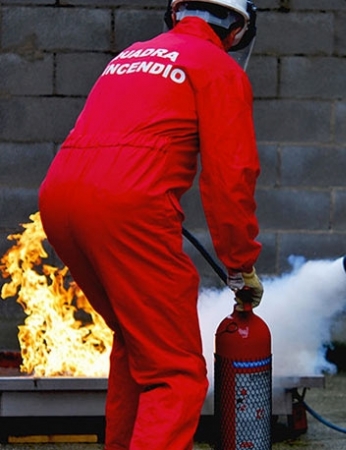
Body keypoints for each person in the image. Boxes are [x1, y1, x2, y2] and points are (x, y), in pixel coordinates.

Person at [38, 0, 263, 448]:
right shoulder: (219, 69)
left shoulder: (129, 56)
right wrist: (240, 265)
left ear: (175, 14)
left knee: (137, 342)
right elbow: (230, 178)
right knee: (176, 372)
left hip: (59, 201)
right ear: (237, 31)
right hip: (128, 209)